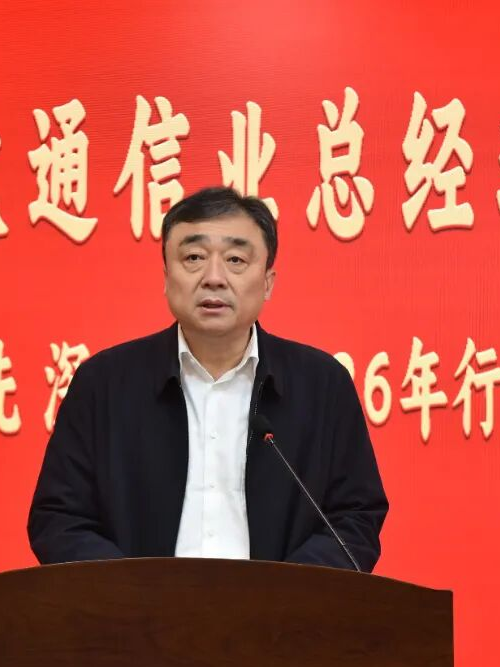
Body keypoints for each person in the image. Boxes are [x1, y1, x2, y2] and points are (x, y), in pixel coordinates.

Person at [27, 187, 387, 571]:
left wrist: (283, 594)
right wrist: (134, 591)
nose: (214, 278)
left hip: (282, 609)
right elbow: (59, 519)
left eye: (235, 260)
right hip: (134, 607)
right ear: (166, 277)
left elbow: (355, 517)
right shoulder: (103, 384)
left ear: (268, 282)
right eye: (194, 258)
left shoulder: (322, 385)